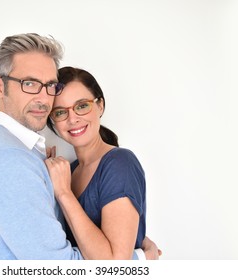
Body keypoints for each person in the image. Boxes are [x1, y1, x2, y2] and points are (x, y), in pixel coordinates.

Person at [0, 33, 159, 259]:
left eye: (50, 85)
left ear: (99, 105)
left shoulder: (30, 157)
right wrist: (141, 259)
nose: (43, 98)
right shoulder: (8, 160)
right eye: (30, 83)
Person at [45, 66, 161, 259]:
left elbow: (114, 267)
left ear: (100, 106)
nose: (73, 119)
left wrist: (64, 193)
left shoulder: (120, 163)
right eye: (60, 112)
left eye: (82, 106)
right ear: (53, 122)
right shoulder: (69, 171)